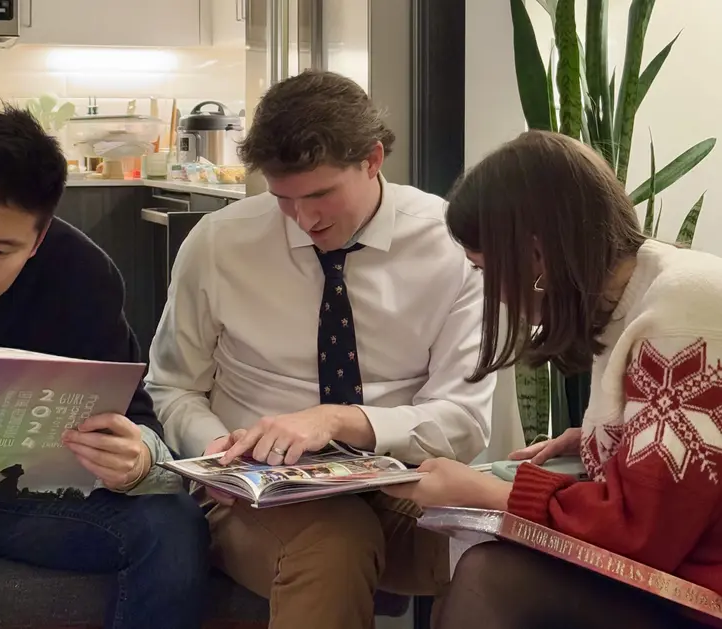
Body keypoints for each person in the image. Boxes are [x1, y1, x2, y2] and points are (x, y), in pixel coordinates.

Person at [145, 69, 496, 629]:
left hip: (400, 477)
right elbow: (173, 384)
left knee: (504, 548)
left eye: (321, 194)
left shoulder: (451, 245)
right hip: (251, 490)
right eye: (283, 199)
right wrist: (218, 456)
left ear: (373, 160)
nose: (305, 219)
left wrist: (339, 420)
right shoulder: (219, 243)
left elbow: (464, 419)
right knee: (336, 542)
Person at [0, 105, 209, 629]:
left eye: (1, 249)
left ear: (36, 242)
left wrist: (138, 462)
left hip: (19, 505)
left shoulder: (80, 276)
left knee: (171, 525)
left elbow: (142, 428)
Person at [385, 129, 722, 629]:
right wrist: (607, 439)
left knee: (489, 577)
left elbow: (643, 531)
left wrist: (488, 494)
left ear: (537, 255)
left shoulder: (683, 304)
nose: (494, 293)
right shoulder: (641, 287)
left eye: (485, 270)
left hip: (698, 591)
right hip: (677, 571)